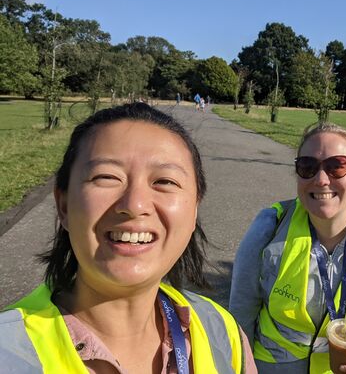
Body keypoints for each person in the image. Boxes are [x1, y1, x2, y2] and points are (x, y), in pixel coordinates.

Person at [0, 102, 256, 373]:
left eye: (165, 181)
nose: (134, 204)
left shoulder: (222, 331)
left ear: (194, 210)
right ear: (63, 205)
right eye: (107, 177)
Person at [229, 122, 346, 374]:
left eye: (336, 166)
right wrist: (242, 365)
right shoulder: (270, 226)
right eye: (307, 167)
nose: (320, 179)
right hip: (272, 365)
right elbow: (242, 309)